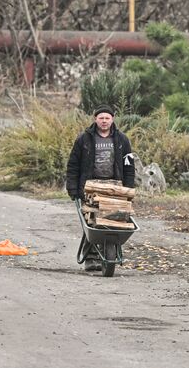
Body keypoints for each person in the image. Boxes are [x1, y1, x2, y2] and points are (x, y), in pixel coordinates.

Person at [66, 104, 135, 271]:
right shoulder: (84, 139)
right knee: (92, 222)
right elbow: (73, 165)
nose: (104, 121)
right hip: (90, 188)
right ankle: (91, 258)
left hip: (115, 187)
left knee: (114, 221)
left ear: (112, 119)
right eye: (101, 118)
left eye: (107, 118)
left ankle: (108, 255)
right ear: (95, 119)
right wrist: (73, 189)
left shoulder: (122, 140)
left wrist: (128, 189)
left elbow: (129, 166)